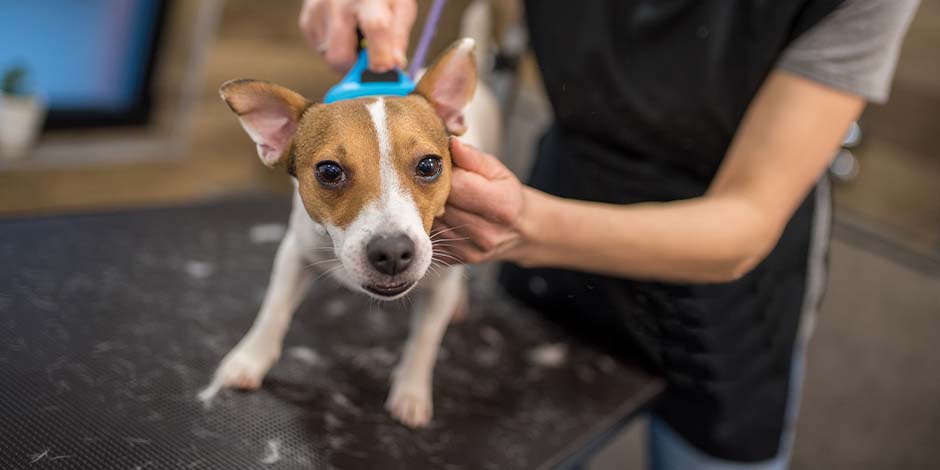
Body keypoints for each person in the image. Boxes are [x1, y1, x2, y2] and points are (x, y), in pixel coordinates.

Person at [299, 0, 919, 468]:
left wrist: (532, 227)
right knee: (520, 443)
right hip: (565, 196)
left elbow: (748, 220)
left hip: (727, 285)